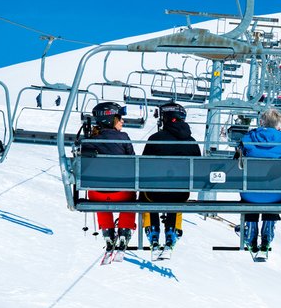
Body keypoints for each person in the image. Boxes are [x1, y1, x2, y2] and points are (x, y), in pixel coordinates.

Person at [141, 102, 199, 251]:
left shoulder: (155, 139)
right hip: (180, 194)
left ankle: (152, 230)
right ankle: (172, 232)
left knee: (146, 193)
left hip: (154, 194)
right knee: (175, 194)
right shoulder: (191, 142)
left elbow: (143, 166)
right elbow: (199, 168)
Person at [79, 101, 136, 250]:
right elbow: (132, 162)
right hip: (121, 194)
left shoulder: (88, 140)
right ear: (111, 119)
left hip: (96, 194)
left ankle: (107, 232)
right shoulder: (123, 137)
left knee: (100, 191)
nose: (122, 121)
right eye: (119, 118)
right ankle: (124, 230)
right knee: (130, 197)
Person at [235, 108, 281, 253]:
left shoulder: (248, 138)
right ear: (279, 124)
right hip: (275, 194)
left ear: (261, 122)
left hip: (249, 193)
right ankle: (267, 233)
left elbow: (236, 161)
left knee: (250, 191)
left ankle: (250, 233)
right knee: (272, 191)